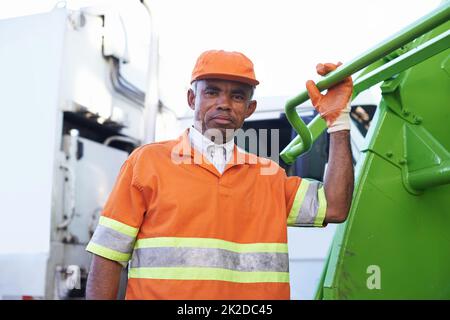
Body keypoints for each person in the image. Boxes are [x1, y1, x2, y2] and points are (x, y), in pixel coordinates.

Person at [85, 50, 354, 300]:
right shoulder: (146, 163)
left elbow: (335, 207)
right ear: (192, 99)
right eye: (212, 92)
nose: (224, 104)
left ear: (249, 108)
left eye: (237, 96)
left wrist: (338, 121)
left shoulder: (269, 176)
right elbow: (108, 256)